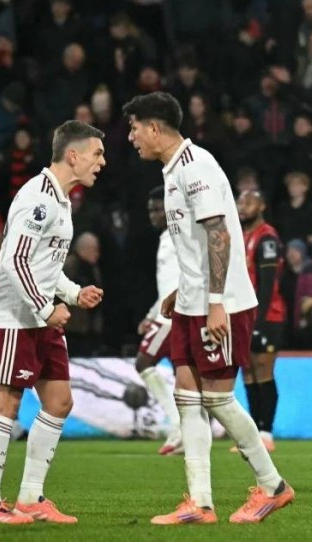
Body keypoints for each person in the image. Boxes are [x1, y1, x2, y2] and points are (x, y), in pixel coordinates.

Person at [124, 92, 294, 525]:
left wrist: (216, 303)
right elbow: (197, 244)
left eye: (135, 128)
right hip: (191, 301)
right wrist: (181, 290)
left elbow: (218, 235)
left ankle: (273, 486)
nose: (131, 137)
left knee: (217, 400)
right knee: (186, 397)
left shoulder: (196, 167)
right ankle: (200, 503)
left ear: (155, 128)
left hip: (221, 304)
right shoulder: (173, 170)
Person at [0, 121, 107, 524]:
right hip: (14, 316)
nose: (102, 162)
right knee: (7, 402)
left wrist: (73, 293)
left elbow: (42, 265)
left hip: (39, 316)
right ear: (73, 155)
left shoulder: (61, 201)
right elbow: (14, 261)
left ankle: (31, 498)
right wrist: (46, 308)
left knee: (59, 401)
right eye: (97, 153)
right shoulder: (39, 198)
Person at [236, 189, 285, 453]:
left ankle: (266, 433)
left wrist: (260, 323)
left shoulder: (266, 238)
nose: (242, 206)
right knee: (248, 372)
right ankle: (254, 433)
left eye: (249, 202)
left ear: (262, 205)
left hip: (267, 315)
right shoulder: (242, 236)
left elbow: (268, 285)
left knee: (263, 369)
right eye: (240, 201)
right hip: (245, 314)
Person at [134, 186, 182, 456]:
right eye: (150, 210)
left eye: (157, 209)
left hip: (173, 317)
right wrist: (150, 315)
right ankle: (185, 432)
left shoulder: (179, 234)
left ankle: (177, 424)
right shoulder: (166, 237)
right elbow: (167, 286)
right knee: (181, 376)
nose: (153, 215)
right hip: (166, 314)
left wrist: (159, 316)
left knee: (143, 362)